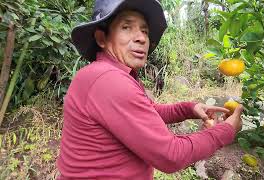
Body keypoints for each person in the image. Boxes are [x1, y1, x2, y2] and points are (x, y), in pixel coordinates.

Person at [56, 0, 243, 179]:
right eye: (126, 27)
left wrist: (190, 108)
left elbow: (148, 111)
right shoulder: (108, 81)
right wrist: (227, 130)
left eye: (144, 31)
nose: (141, 38)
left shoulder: (106, 75)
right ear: (102, 38)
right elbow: (171, 156)